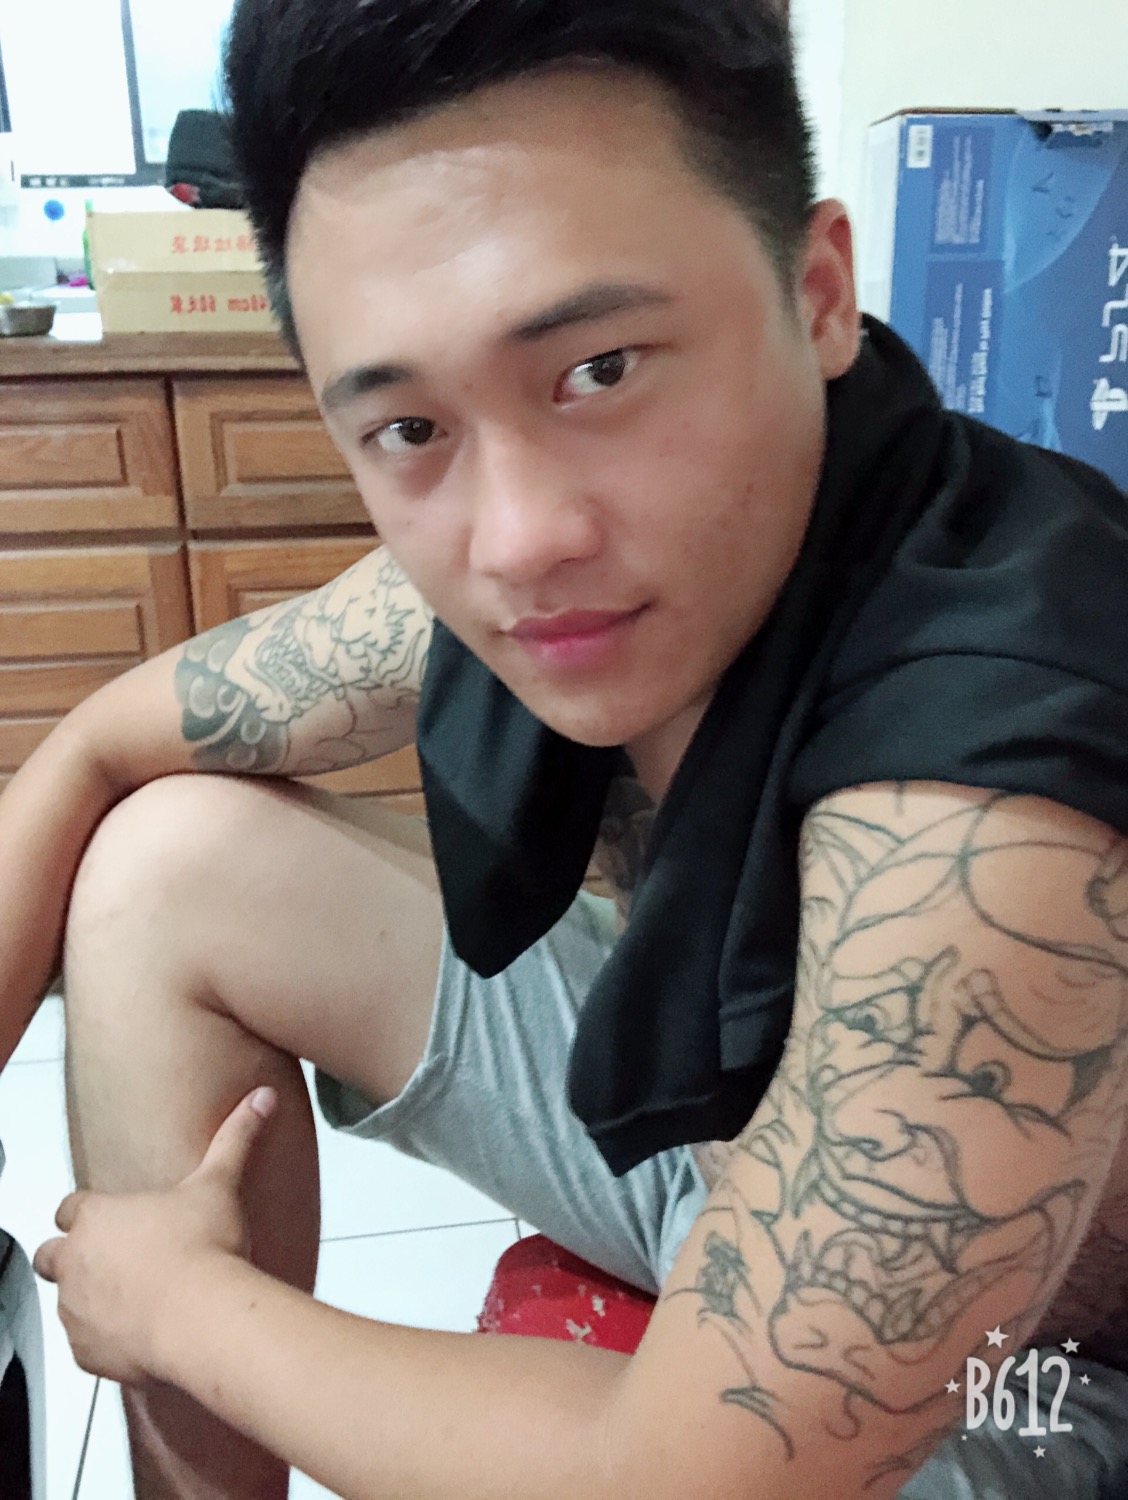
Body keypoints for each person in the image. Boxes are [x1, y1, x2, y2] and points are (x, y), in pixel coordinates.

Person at [8, 0, 1128, 1495]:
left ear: (817, 295)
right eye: (412, 429)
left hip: (1030, 1370)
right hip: (730, 1149)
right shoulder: (529, 566)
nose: (519, 542)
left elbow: (685, 1479)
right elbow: (98, 745)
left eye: (600, 369)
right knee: (169, 864)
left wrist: (185, 1309)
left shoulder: (988, 798)